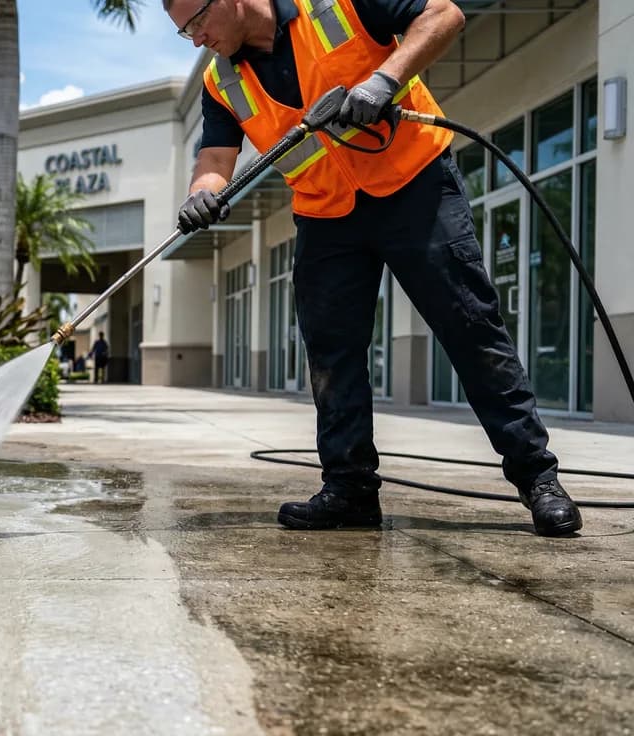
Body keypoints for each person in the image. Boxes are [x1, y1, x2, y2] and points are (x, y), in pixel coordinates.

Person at [166, 0, 581, 536]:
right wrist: (203, 194)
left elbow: (443, 15)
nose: (196, 39)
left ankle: (538, 479)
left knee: (471, 330)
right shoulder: (223, 81)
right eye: (184, 33)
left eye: (196, 23)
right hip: (325, 215)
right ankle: (349, 490)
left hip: (414, 189)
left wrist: (384, 80)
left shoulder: (335, 4)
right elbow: (216, 160)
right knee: (332, 357)